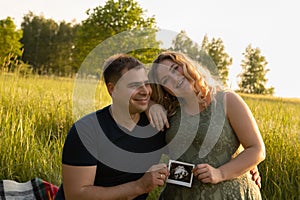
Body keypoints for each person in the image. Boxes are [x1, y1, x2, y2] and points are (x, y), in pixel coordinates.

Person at [148, 51, 266, 199]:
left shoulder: (226, 100)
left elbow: (257, 149)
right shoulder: (169, 111)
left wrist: (220, 173)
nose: (174, 78)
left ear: (186, 65)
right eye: (165, 80)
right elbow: (135, 94)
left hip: (229, 194)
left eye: (174, 68)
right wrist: (151, 105)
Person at [55, 54, 169, 200]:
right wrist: (139, 186)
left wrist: (208, 170)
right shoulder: (86, 130)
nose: (145, 91)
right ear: (112, 90)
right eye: (134, 85)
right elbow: (76, 195)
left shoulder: (156, 124)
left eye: (146, 83)